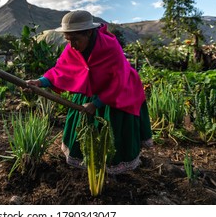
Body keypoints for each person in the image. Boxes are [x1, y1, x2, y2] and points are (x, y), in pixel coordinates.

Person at [26, 10, 153, 175]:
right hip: (89, 88)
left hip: (119, 91)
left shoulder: (110, 47)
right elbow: (62, 70)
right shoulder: (73, 48)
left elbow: (118, 81)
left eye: (76, 40)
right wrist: (40, 82)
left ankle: (115, 168)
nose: (71, 45)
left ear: (89, 33)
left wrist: (97, 103)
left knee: (114, 130)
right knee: (82, 126)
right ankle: (86, 162)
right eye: (68, 40)